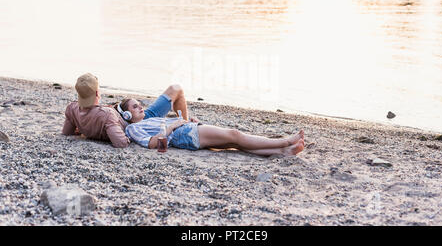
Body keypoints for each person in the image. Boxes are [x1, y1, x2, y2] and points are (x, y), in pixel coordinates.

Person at [120, 98, 305, 157]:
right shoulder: (132, 129)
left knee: (237, 145)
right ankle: (286, 140)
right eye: (134, 107)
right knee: (235, 134)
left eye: (139, 104)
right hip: (183, 134)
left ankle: (283, 150)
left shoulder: (145, 122)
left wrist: (187, 122)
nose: (140, 107)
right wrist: (174, 125)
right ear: (127, 116)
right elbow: (154, 144)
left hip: (186, 131)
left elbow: (161, 131)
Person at [62, 73, 192, 148]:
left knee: (175, 90)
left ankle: (183, 122)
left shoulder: (72, 108)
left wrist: (84, 129)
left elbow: (67, 133)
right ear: (97, 92)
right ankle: (184, 122)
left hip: (126, 115)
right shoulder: (106, 115)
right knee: (176, 89)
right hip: (136, 120)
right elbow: (121, 143)